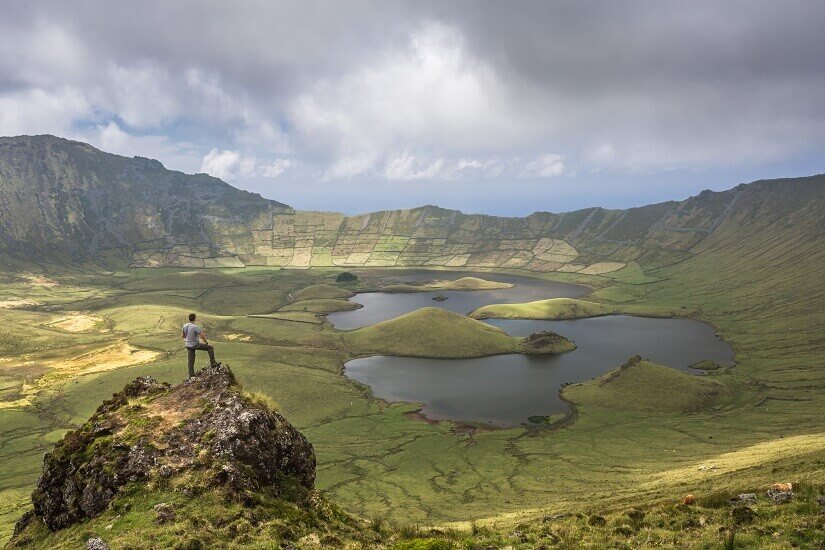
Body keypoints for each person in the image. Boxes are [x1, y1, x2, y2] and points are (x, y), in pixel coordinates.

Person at [182, 313, 218, 377]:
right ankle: (213, 363)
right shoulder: (195, 326)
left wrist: (188, 339)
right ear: (195, 318)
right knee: (210, 348)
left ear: (189, 318)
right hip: (194, 344)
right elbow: (202, 336)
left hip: (188, 345)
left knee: (191, 360)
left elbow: (183, 335)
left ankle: (191, 374)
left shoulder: (184, 326)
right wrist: (206, 343)